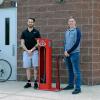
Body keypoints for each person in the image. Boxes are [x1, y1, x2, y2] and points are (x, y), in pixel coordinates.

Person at [20, 18, 41, 89]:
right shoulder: (24, 32)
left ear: (33, 23)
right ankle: (28, 82)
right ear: (27, 23)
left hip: (34, 52)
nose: (30, 23)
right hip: (26, 53)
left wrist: (31, 50)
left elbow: (38, 43)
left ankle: (35, 82)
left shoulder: (37, 32)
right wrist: (27, 51)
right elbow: (22, 43)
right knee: (27, 68)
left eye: (32, 22)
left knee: (35, 67)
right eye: (29, 22)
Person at [63, 17, 81, 94]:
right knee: (70, 70)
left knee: (76, 71)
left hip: (74, 53)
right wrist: (65, 51)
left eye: (72, 21)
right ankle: (70, 85)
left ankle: (78, 88)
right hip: (67, 54)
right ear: (68, 23)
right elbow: (65, 43)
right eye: (69, 21)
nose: (71, 22)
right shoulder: (67, 31)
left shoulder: (77, 31)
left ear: (75, 22)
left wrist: (69, 51)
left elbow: (77, 43)